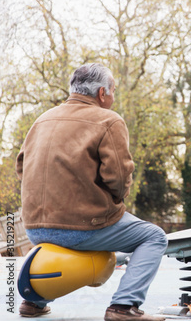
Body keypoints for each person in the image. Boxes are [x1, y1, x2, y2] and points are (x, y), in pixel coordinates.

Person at [16, 63, 167, 321]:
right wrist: (116, 203)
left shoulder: (42, 120)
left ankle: (34, 302)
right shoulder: (109, 120)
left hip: (34, 227)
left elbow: (21, 168)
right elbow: (118, 178)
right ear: (101, 94)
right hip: (83, 227)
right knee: (154, 237)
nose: (113, 97)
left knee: (93, 239)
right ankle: (124, 307)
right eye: (113, 91)